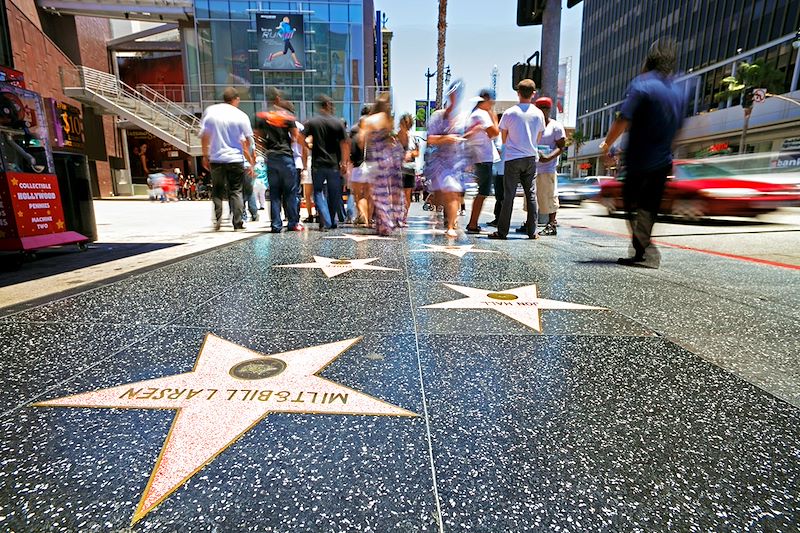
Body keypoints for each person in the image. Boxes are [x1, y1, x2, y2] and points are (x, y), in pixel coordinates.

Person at [600, 38, 684, 268]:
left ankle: (643, 248)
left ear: (648, 62)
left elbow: (624, 118)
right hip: (662, 161)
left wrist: (607, 145)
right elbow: (679, 128)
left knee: (632, 204)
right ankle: (642, 247)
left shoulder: (642, 84)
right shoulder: (677, 90)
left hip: (640, 160)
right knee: (649, 205)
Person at [489, 79, 545, 240]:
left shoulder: (509, 112)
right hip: (530, 158)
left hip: (513, 158)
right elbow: (539, 137)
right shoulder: (538, 113)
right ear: (533, 94)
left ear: (518, 93)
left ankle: (502, 231)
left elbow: (504, 138)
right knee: (531, 195)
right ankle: (532, 231)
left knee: (509, 196)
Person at [200, 86, 255, 231]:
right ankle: (237, 223)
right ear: (236, 99)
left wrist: (205, 155)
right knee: (236, 190)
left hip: (216, 158)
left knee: (217, 190)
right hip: (235, 159)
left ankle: (217, 220)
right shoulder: (240, 115)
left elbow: (205, 136)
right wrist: (248, 157)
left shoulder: (211, 112)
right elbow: (248, 140)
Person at [254, 89, 302, 233]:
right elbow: (295, 136)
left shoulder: (262, 116)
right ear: (277, 98)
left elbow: (257, 137)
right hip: (286, 157)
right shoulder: (288, 116)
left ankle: (275, 225)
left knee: (274, 193)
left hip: (272, 157)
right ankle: (292, 223)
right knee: (291, 192)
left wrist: (267, 147)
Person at [426, 80, 468, 238]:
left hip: (457, 161)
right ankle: (449, 220)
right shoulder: (438, 116)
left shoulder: (463, 117)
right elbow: (430, 139)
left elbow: (467, 137)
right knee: (445, 193)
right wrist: (447, 138)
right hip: (441, 162)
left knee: (452, 192)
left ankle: (451, 223)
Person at [303, 95, 350, 230]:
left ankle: (327, 219)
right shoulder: (338, 123)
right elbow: (345, 144)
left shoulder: (313, 122)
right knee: (334, 193)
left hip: (318, 163)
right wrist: (344, 162)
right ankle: (331, 220)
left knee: (318, 192)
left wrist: (308, 147)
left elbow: (301, 137)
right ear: (329, 106)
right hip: (333, 164)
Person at [360, 93, 402, 235]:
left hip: (374, 160)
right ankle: (386, 222)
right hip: (387, 160)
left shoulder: (368, 120)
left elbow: (361, 140)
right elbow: (391, 140)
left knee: (377, 193)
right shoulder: (386, 120)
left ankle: (383, 223)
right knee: (385, 192)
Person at [465, 89, 500, 234]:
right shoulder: (482, 114)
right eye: (491, 101)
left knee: (483, 191)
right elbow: (494, 132)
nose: (492, 104)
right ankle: (472, 223)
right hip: (484, 158)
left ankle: (473, 223)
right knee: (483, 191)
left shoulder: (474, 114)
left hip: (480, 157)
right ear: (486, 100)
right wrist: (494, 117)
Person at [533, 96, 566, 236]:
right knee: (533, 197)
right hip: (533, 167)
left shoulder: (556, 126)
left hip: (548, 168)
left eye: (545, 108)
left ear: (549, 110)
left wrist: (549, 157)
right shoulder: (533, 126)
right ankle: (530, 222)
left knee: (550, 196)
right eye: (540, 108)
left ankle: (552, 224)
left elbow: (561, 147)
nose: (542, 111)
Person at [349, 105, 372, 226]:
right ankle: (368, 219)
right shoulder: (374, 129)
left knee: (357, 193)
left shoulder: (354, 129)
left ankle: (362, 215)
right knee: (368, 194)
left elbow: (351, 147)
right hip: (372, 165)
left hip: (358, 165)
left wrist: (348, 161)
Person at [397, 113, 419, 226]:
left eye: (407, 124)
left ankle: (404, 217)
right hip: (397, 169)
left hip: (409, 169)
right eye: (403, 123)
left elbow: (417, 152)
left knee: (407, 194)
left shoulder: (413, 137)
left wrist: (410, 154)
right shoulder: (395, 137)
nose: (405, 126)